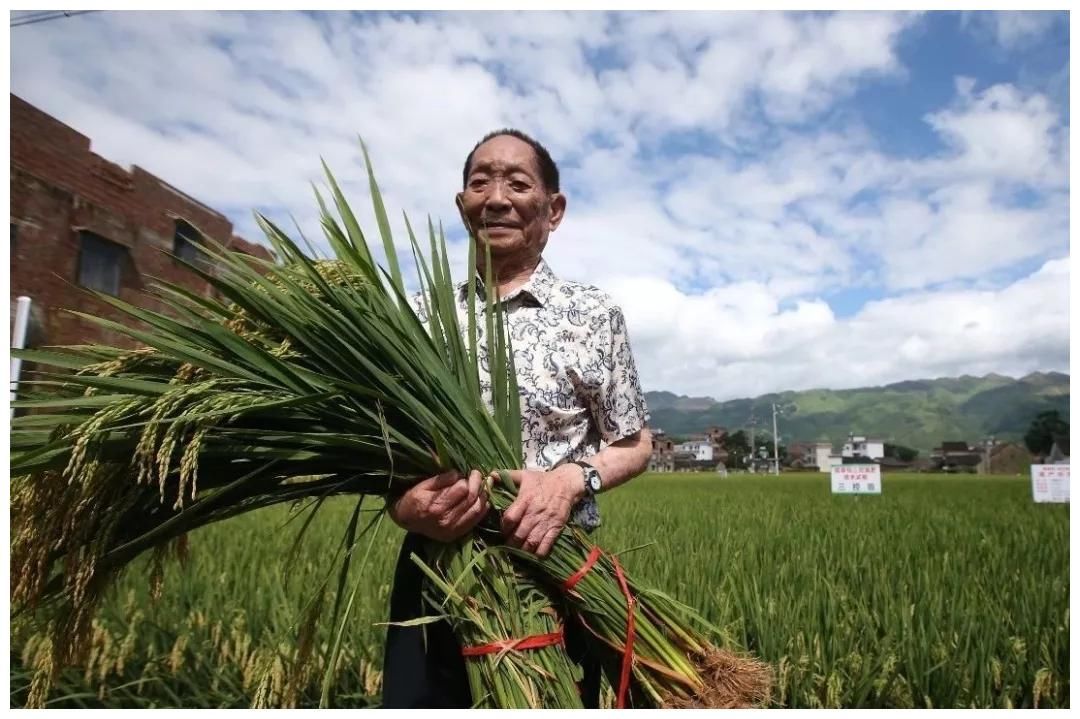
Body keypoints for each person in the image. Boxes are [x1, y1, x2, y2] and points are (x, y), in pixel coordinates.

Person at [381, 128, 653, 708]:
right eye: (479, 183)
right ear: (462, 206)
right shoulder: (422, 318)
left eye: (518, 183)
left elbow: (633, 443)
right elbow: (384, 450)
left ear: (553, 210)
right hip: (437, 566)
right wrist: (404, 506)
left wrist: (570, 479)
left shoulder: (592, 313)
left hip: (554, 566)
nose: (496, 197)